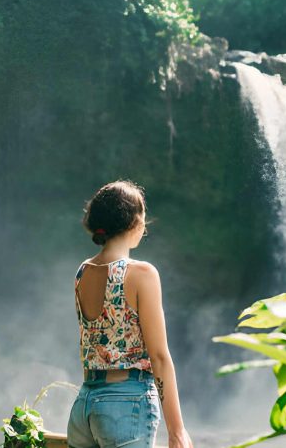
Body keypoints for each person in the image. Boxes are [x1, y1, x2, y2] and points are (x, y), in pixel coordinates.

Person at [67, 179, 194, 448]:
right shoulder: (141, 274)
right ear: (134, 222)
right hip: (125, 404)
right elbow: (159, 357)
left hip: (84, 406)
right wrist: (177, 430)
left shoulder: (83, 272)